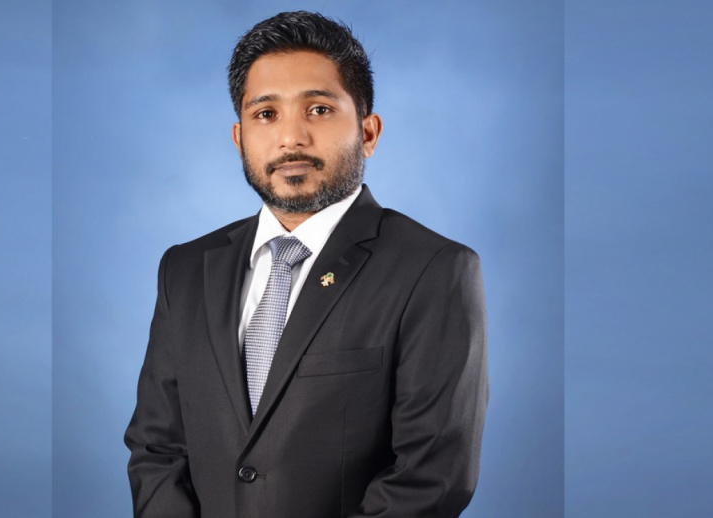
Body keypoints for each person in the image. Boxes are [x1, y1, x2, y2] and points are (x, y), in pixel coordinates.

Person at [124, 11, 488, 518]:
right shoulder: (184, 270)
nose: (290, 137)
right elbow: (156, 449)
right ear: (239, 138)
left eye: (318, 109)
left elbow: (430, 478)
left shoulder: (434, 270)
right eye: (266, 114)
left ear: (368, 132)